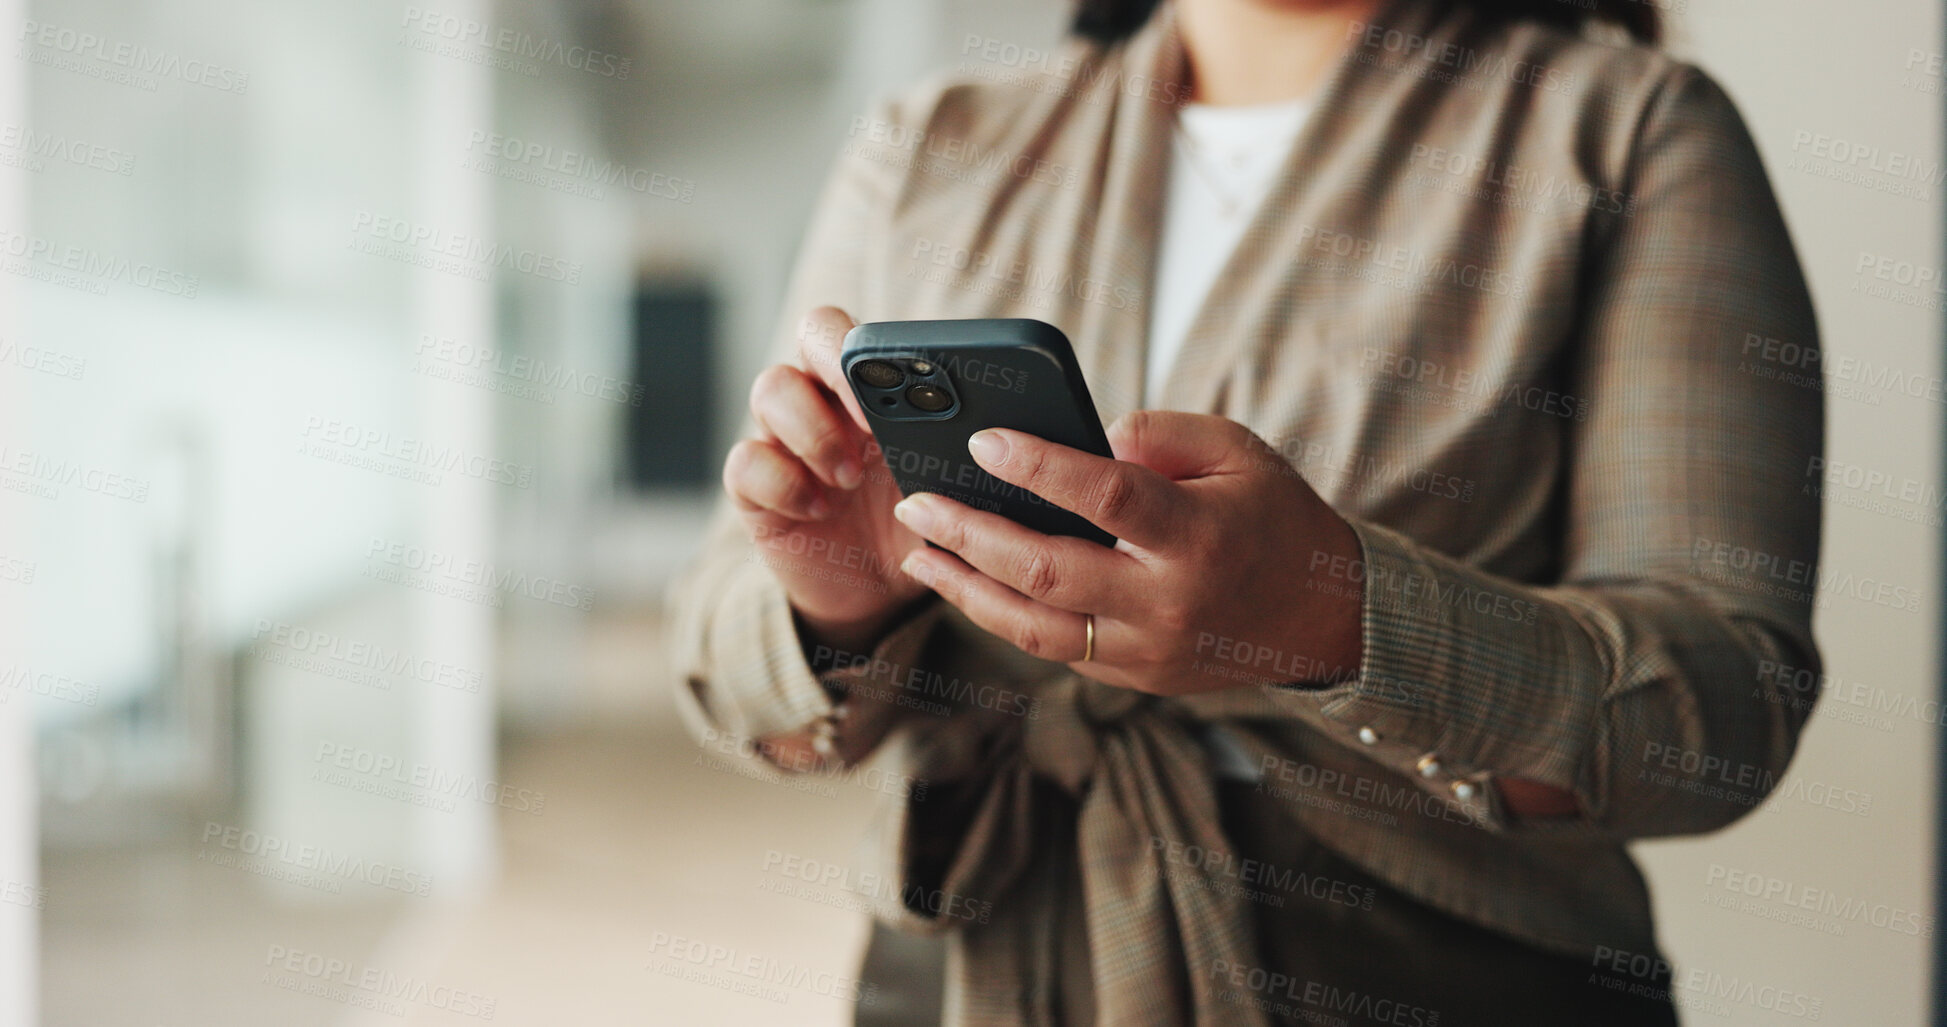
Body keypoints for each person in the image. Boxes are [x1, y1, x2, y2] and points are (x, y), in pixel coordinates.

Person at [672, 0, 1823, 1022]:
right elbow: (724, 654)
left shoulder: (1629, 131)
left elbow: (1724, 712)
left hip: (1428, 972)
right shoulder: (929, 144)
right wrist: (834, 604)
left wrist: (1334, 621)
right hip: (972, 963)